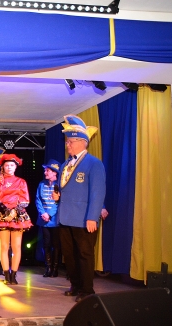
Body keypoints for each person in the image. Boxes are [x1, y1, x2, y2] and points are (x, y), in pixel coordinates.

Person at [52, 115, 106, 302]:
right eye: (67, 141)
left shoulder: (94, 164)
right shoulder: (65, 164)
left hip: (84, 218)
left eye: (71, 142)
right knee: (69, 255)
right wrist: (58, 196)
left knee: (84, 254)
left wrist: (92, 217)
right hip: (65, 217)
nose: (67, 145)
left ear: (83, 142)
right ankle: (75, 285)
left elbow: (97, 193)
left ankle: (87, 290)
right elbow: (65, 189)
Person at [0, 154, 32, 285]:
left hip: (17, 215)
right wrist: (6, 212)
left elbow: (25, 200)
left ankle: (14, 275)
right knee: (4, 246)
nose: (9, 167)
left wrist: (14, 212)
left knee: (16, 246)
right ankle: (6, 275)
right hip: (3, 215)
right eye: (7, 165)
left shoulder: (21, 182)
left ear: (15, 167)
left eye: (12, 165)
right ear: (3, 167)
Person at [35, 159, 62, 278]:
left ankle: (55, 268)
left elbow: (58, 202)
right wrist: (43, 213)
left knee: (55, 244)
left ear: (55, 172)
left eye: (48, 170)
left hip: (55, 220)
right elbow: (38, 200)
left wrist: (49, 214)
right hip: (44, 219)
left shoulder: (59, 185)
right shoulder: (41, 184)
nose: (45, 172)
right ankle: (48, 267)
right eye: (45, 170)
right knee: (46, 244)